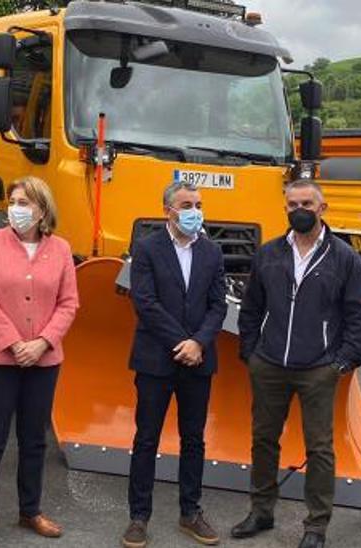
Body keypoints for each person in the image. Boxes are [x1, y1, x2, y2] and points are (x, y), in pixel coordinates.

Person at [232, 179, 361, 548]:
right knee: (263, 439)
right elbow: (251, 308)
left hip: (318, 368)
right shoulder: (268, 253)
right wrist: (251, 352)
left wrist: (342, 362)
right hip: (270, 364)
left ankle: (316, 525)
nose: (300, 209)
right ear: (285, 207)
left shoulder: (344, 257)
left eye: (307, 203)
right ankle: (261, 510)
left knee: (320, 448)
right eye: (293, 203)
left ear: (322, 208)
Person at [0, 176, 80, 548]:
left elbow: (69, 303)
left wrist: (43, 342)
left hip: (44, 361)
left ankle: (30, 510)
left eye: (25, 202)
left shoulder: (61, 249)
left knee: (34, 440)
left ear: (43, 209)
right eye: (13, 201)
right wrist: (15, 344)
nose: (16, 208)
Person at [122, 182, 227, 548]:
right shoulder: (148, 247)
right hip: (155, 359)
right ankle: (138, 517)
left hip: (198, 361)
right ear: (168, 209)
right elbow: (145, 302)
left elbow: (218, 305)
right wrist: (180, 341)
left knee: (194, 439)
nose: (194, 211)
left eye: (198, 204)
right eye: (186, 204)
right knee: (146, 437)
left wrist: (198, 342)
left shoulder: (213, 251)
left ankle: (190, 512)